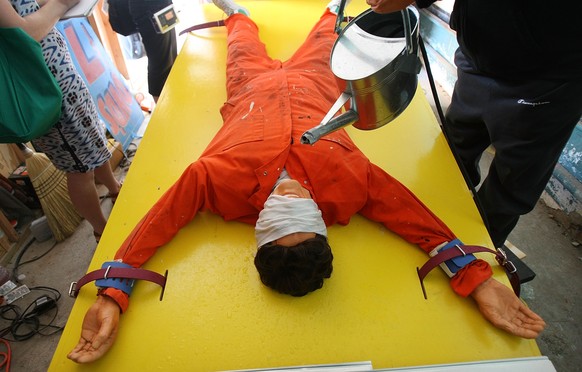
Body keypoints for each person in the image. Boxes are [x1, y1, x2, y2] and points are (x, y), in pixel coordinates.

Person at [67, 0, 546, 363]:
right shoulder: (347, 183)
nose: (289, 196)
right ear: (322, 222)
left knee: (241, 37)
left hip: (250, 87)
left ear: (259, 231)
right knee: (331, 31)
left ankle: (236, 11)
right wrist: (474, 276)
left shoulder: (216, 180)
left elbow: (157, 222)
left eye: (280, 215)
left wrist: (114, 291)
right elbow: (412, 217)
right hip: (320, 82)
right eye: (303, 211)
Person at [366, 0, 582, 248]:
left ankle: (475, 257)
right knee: (452, 155)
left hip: (545, 80)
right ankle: (431, 229)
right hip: (477, 56)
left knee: (507, 192)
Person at [1, 0, 123, 242]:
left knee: (94, 140)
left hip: (64, 79)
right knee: (79, 168)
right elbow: (23, 33)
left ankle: (114, 189)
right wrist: (60, 4)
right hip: (46, 93)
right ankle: (102, 230)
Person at [127, 0, 178, 103]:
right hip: (151, 9)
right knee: (160, 65)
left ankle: (170, 102)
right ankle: (163, 110)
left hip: (158, 7)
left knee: (170, 58)